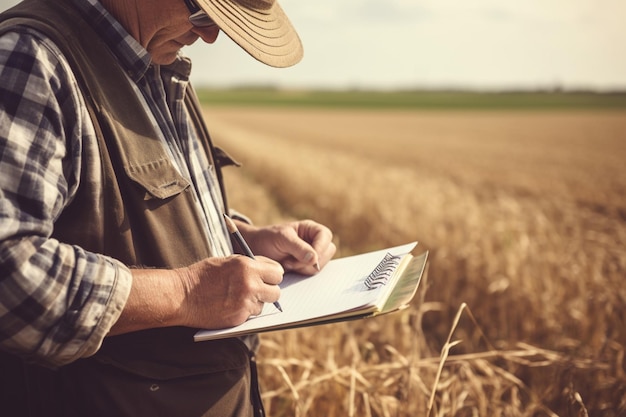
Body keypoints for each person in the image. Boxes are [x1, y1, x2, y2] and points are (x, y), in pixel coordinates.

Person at [0, 0, 336, 415]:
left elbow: (125, 215)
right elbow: (9, 269)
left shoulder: (156, 64)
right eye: (204, 13)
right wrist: (186, 293)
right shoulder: (29, 59)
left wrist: (244, 240)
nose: (211, 35)